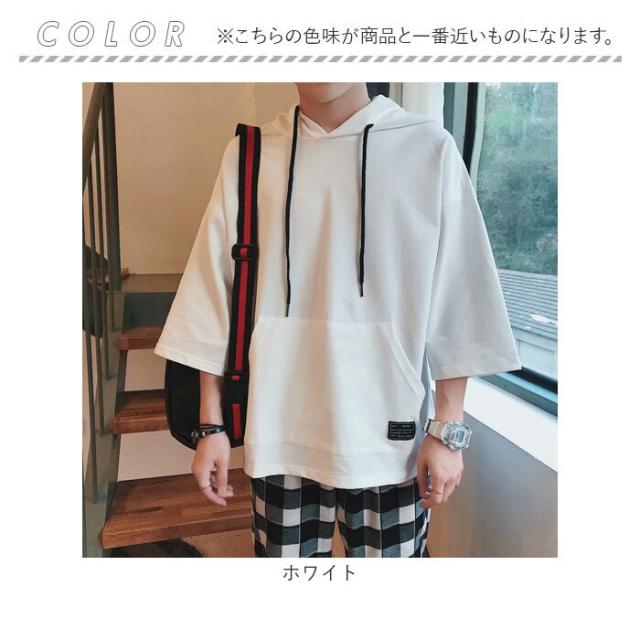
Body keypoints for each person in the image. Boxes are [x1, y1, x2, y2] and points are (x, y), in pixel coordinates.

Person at [153, 82, 521, 558]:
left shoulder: (427, 147)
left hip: (391, 438)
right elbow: (212, 292)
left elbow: (460, 293)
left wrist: (448, 430)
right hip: (279, 430)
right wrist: (210, 426)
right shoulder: (249, 154)